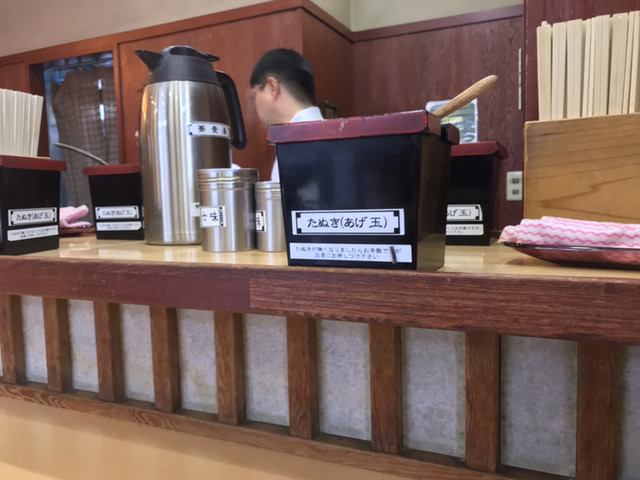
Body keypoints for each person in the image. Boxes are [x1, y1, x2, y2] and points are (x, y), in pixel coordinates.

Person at [249, 48, 324, 181]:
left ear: (272, 87)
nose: (255, 104)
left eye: (254, 95)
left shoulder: (294, 147)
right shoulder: (327, 135)